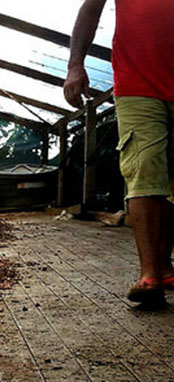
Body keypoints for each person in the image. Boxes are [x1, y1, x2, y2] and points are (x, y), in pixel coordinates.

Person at [65, 0, 174, 306]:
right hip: (138, 83)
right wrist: (75, 65)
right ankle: (149, 274)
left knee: (170, 178)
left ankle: (164, 267)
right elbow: (90, 7)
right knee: (144, 167)